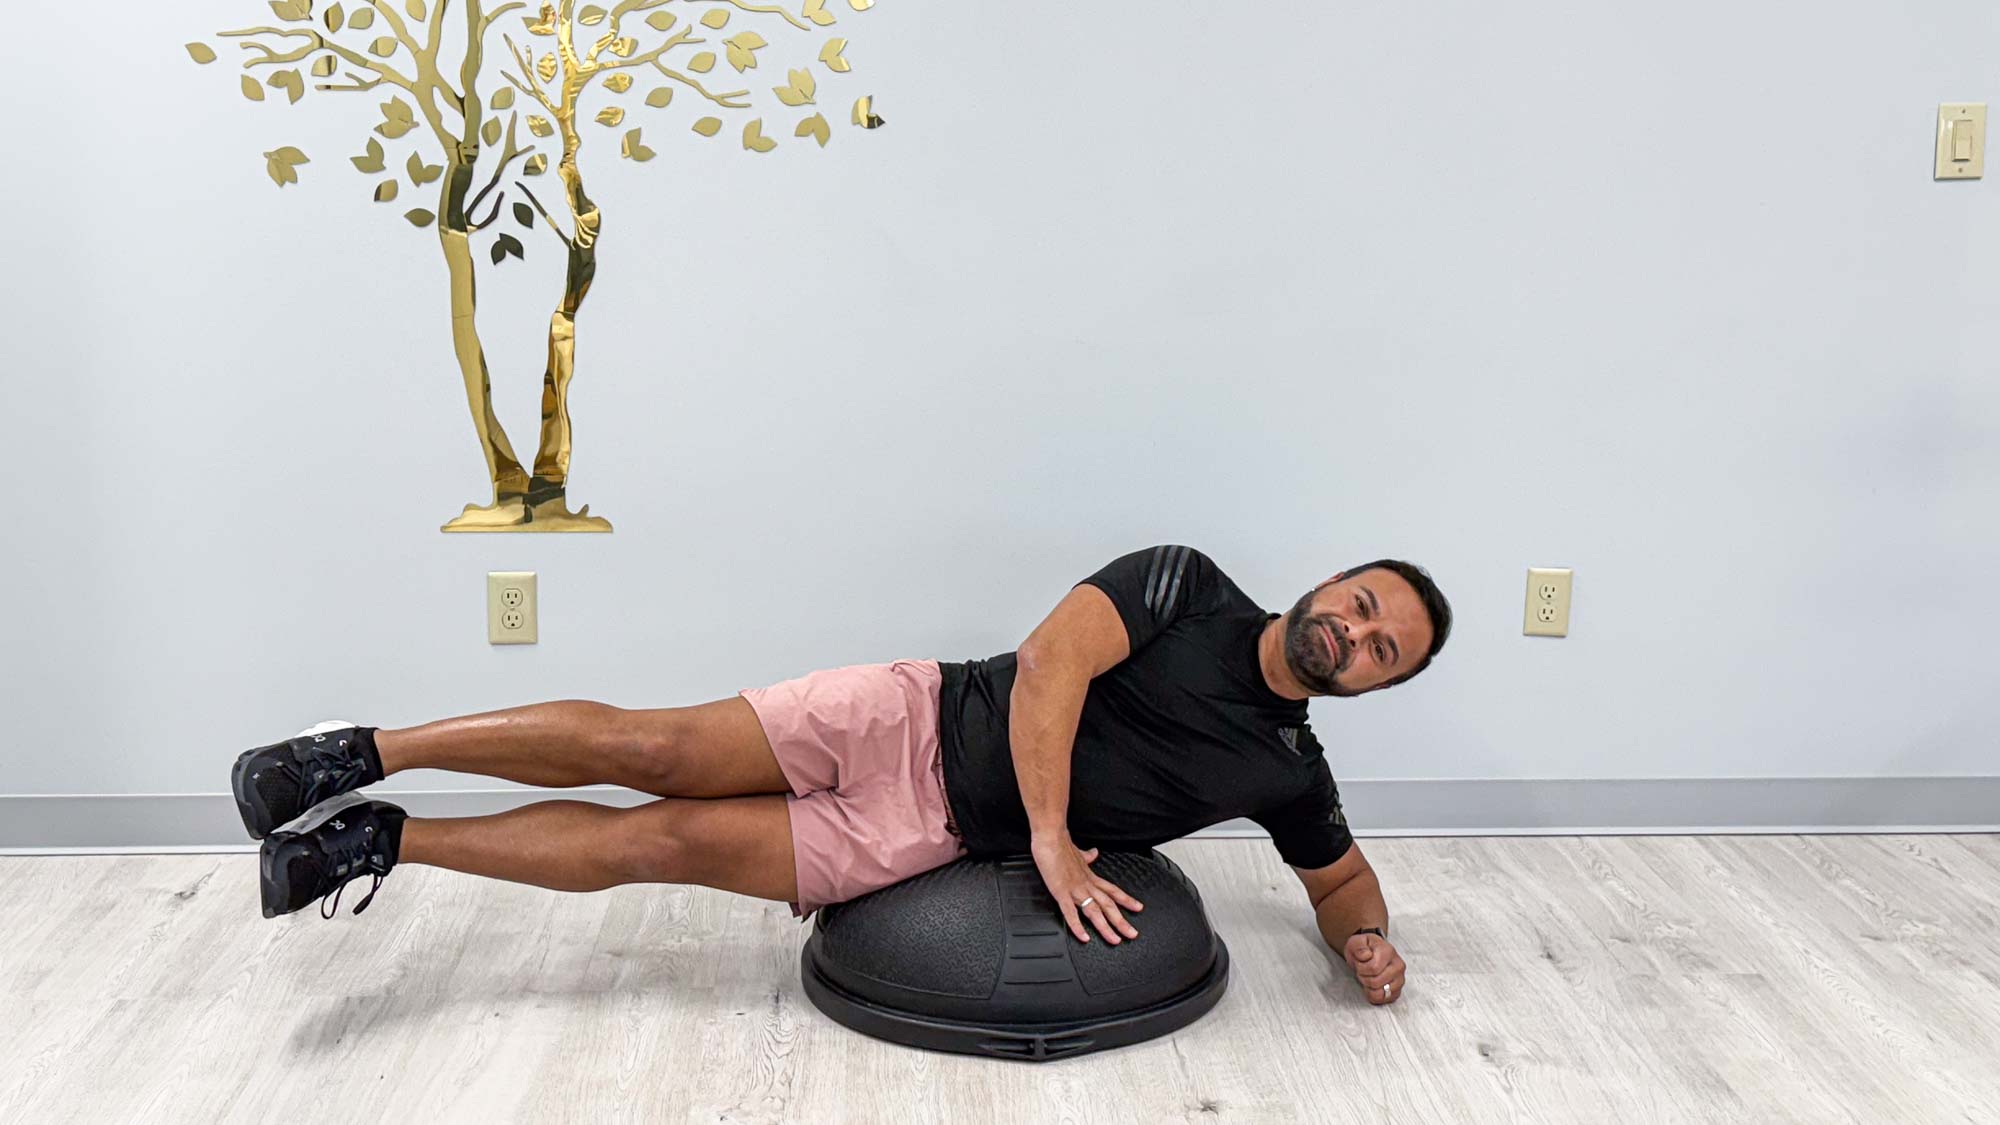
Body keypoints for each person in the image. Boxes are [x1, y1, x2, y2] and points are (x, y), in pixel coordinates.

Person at [234, 544, 1450, 1005]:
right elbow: (1046, 675)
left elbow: (1340, 882)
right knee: (649, 750)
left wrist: (1365, 945)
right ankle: (360, 752)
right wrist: (1049, 836)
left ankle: (379, 840)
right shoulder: (1182, 583)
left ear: (1375, 687)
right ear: (1327, 582)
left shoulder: (1287, 768)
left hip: (917, 841)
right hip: (907, 719)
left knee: (653, 844)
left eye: (1380, 649)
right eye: (1358, 605)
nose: (1352, 634)